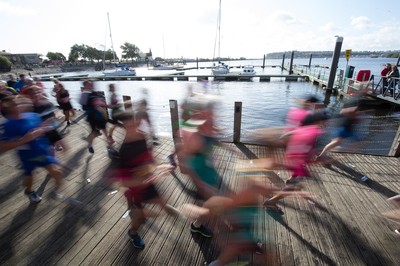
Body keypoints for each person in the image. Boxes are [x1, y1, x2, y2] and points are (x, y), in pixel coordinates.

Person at [106, 111, 177, 249]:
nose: (133, 124)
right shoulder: (124, 150)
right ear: (123, 126)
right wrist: (148, 178)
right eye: (127, 123)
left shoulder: (142, 136)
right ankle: (133, 233)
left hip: (147, 180)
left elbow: (149, 160)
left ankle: (157, 210)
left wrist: (159, 167)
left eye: (132, 121)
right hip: (137, 188)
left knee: (163, 203)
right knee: (140, 219)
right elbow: (124, 181)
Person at [0, 96, 64, 203]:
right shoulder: (8, 125)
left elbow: (39, 128)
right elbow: (4, 146)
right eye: (15, 104)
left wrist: (51, 121)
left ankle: (55, 193)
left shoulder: (33, 115)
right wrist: (24, 140)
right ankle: (29, 191)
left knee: (57, 173)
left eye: (20, 102)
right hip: (27, 156)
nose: (19, 105)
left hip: (41, 150)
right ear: (9, 107)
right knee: (30, 178)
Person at [81, 80, 110, 153]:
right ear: (85, 86)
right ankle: (89, 145)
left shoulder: (95, 92)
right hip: (92, 117)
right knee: (94, 132)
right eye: (89, 85)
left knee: (105, 130)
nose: (91, 86)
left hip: (99, 116)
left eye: (91, 84)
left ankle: (109, 145)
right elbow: (84, 108)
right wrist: (94, 107)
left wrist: (102, 102)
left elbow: (101, 100)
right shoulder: (84, 94)